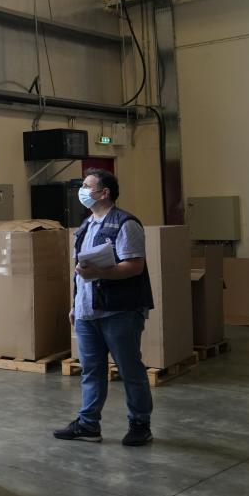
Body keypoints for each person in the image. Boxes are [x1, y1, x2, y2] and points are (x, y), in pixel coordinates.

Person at [53, 168, 155, 446]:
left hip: (119, 312)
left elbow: (134, 266)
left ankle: (140, 424)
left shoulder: (125, 224)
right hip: (88, 312)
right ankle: (88, 425)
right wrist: (75, 305)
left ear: (104, 192)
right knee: (91, 370)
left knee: (129, 369)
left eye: (87, 186)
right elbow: (79, 271)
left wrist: (99, 274)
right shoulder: (86, 226)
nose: (82, 191)